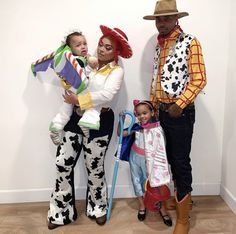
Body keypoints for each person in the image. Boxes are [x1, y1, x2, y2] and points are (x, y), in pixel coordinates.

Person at [47, 25, 133, 230]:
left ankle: (98, 207)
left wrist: (79, 99)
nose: (102, 49)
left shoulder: (117, 71)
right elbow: (68, 74)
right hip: (74, 119)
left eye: (108, 47)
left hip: (101, 122)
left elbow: (106, 96)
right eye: (101, 45)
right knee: (62, 163)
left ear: (116, 52)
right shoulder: (85, 61)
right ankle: (60, 211)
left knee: (94, 167)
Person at [143, 0, 207, 233]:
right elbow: (156, 80)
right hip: (161, 112)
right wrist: (151, 105)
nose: (161, 23)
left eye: (166, 18)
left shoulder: (190, 42)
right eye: (159, 19)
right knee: (166, 159)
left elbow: (199, 78)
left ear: (176, 19)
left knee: (180, 162)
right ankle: (177, 199)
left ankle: (183, 218)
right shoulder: (160, 46)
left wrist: (180, 104)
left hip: (180, 113)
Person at [118, 100, 172, 226]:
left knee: (155, 183)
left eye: (145, 113)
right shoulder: (137, 127)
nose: (142, 116)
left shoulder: (157, 129)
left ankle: (161, 208)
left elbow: (161, 147)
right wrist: (121, 120)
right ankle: (142, 206)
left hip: (150, 160)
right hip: (134, 158)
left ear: (152, 113)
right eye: (139, 114)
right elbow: (121, 134)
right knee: (137, 181)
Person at [49, 31, 99, 144]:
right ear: (70, 49)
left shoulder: (82, 58)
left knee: (65, 112)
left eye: (84, 43)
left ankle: (56, 127)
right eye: (78, 45)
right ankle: (85, 124)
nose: (83, 47)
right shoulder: (76, 60)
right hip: (79, 90)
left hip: (72, 94)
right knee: (93, 106)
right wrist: (91, 65)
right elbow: (84, 76)